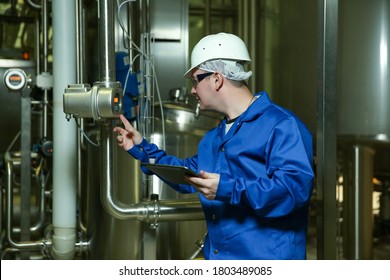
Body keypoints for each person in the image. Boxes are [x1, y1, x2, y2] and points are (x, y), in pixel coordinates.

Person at [114, 32, 314, 260]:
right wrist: (141, 147)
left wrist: (227, 188)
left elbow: (293, 190)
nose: (192, 90)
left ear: (217, 79)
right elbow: (188, 176)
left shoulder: (281, 125)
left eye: (196, 80)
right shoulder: (213, 138)